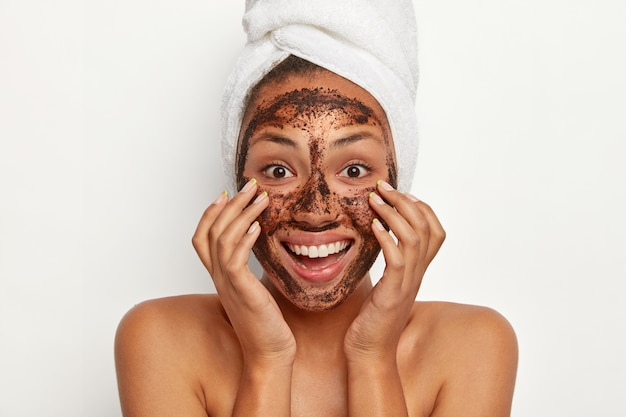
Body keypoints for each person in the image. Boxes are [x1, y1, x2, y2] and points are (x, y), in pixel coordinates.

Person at [115, 1, 518, 416]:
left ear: (400, 181)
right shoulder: (161, 339)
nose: (316, 210)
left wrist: (372, 356)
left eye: (355, 169)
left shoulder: (473, 345)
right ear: (236, 183)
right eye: (277, 169)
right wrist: (266, 361)